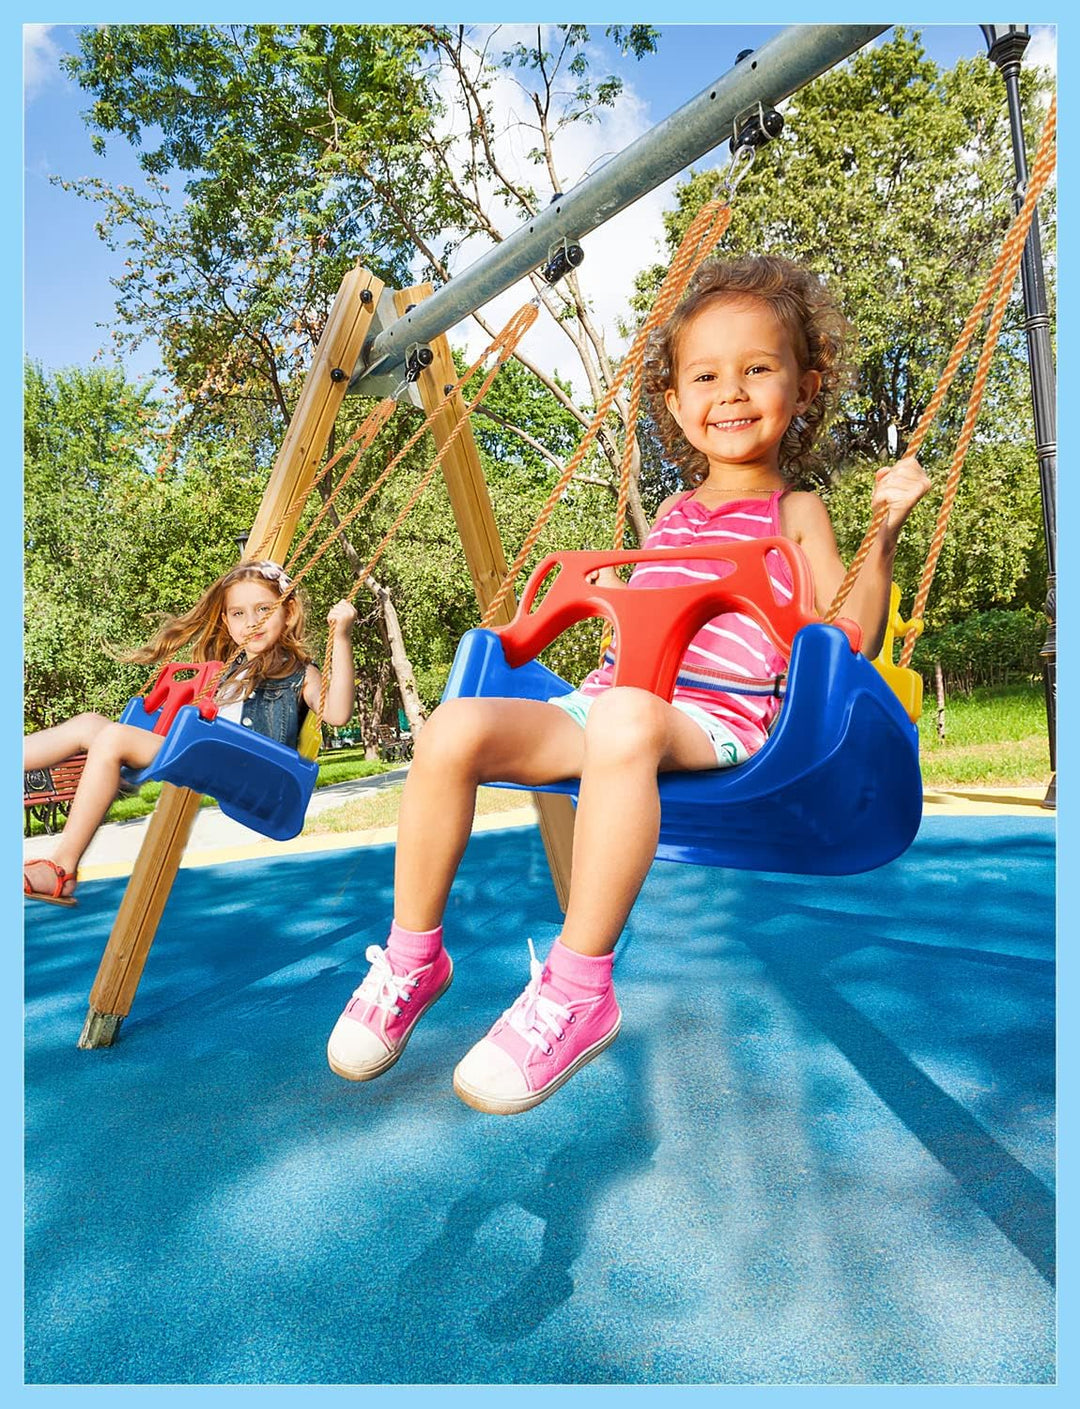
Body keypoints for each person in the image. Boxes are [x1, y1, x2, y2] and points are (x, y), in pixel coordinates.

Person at [327, 253, 932, 1115]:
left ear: (801, 388)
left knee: (625, 725)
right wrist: (612, 596)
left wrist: (884, 534)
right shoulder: (677, 515)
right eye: (706, 375)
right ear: (678, 405)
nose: (731, 391)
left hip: (720, 722)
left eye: (758, 369)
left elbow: (851, 634)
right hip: (612, 701)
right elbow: (646, 615)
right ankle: (414, 957)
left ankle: (579, 989)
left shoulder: (795, 511)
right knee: (450, 728)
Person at [23, 560, 358, 904]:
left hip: (255, 772)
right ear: (226, 622)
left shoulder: (300, 673)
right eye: (238, 614)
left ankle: (61, 868)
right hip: (208, 754)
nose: (252, 622)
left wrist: (342, 636)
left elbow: (337, 713)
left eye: (264, 609)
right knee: (89, 724)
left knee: (113, 738)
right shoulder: (231, 669)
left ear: (288, 613)